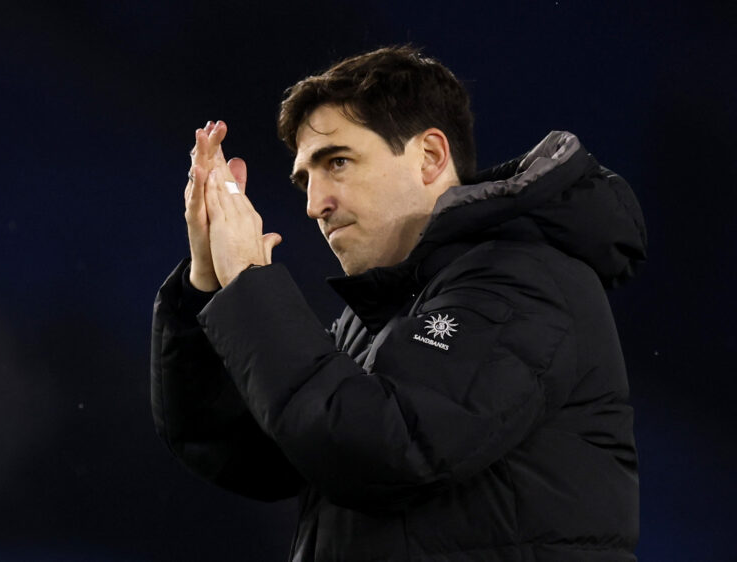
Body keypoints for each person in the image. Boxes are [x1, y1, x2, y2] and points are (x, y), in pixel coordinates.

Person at [151, 46, 646, 561]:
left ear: (430, 157)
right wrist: (207, 283)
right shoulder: (377, 319)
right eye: (305, 179)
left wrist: (251, 284)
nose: (313, 204)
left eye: (337, 162)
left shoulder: (521, 282)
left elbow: (381, 449)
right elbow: (244, 451)